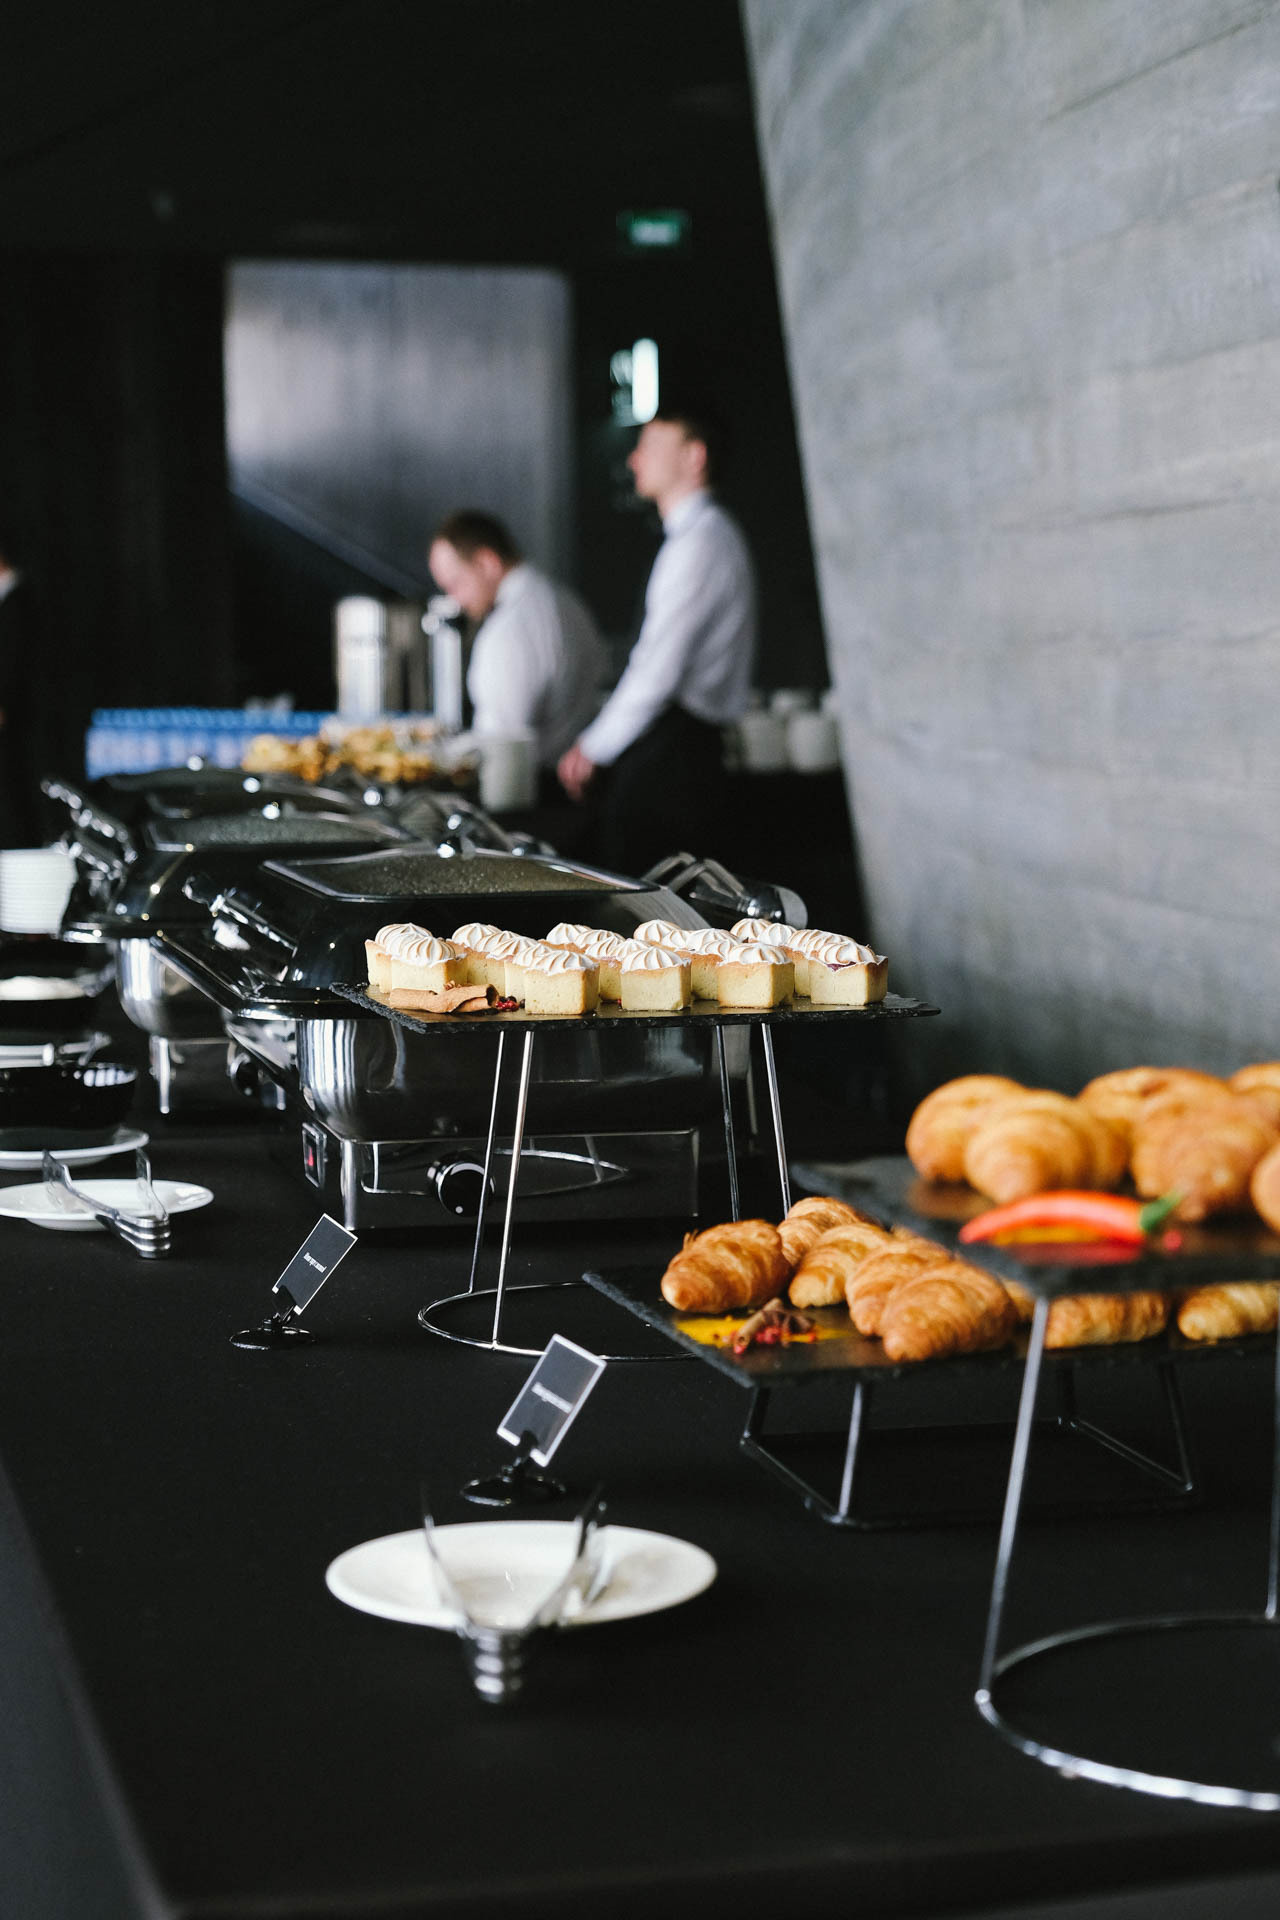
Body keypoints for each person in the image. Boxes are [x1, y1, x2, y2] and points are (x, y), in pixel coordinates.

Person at [556, 403, 755, 876]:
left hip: (677, 760)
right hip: (681, 751)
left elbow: (658, 669)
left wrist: (594, 747)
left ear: (694, 457)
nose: (633, 460)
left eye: (648, 446)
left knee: (651, 924)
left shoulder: (700, 542)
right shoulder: (704, 536)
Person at [427, 511, 604, 780]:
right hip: (579, 785)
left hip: (531, 792)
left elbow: (500, 742)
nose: (455, 601)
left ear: (487, 563)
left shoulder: (508, 630)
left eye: (455, 584)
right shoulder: (567, 602)